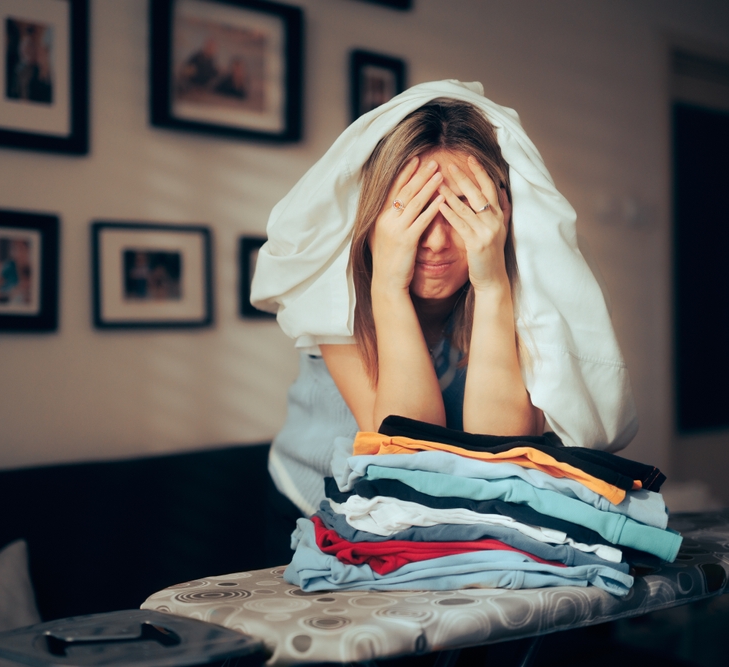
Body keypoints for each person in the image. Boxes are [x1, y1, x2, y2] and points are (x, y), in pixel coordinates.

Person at [251, 81, 638, 563]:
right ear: (372, 216)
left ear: (501, 214)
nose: (434, 241)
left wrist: (493, 285)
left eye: (460, 209)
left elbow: (497, 459)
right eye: (411, 211)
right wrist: (387, 287)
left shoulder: (531, 300)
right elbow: (409, 458)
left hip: (455, 518)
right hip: (311, 503)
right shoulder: (336, 292)